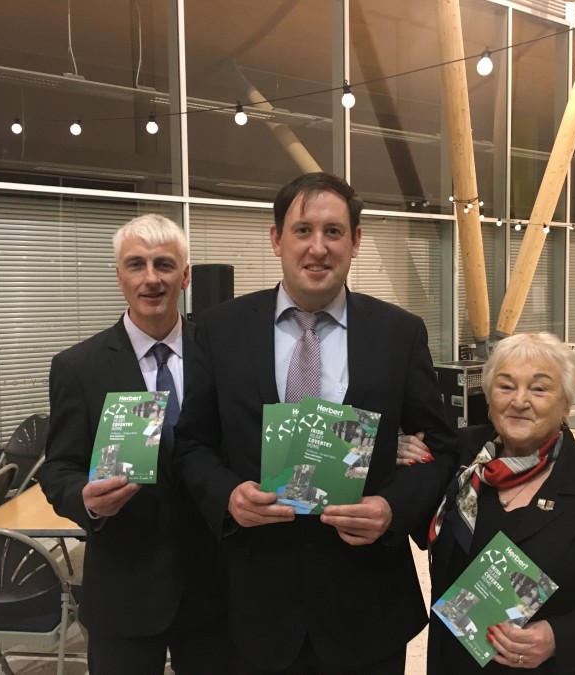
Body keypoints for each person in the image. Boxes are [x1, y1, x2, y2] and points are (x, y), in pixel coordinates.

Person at [173, 171, 457, 674]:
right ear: (277, 239)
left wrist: (392, 507)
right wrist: (227, 496)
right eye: (303, 230)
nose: (318, 247)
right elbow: (193, 443)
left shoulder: (399, 332)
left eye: (334, 231)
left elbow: (440, 445)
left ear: (356, 241)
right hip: (252, 605)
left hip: (366, 604)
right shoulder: (220, 330)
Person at [39, 214, 233, 674]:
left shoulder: (222, 355)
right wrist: (84, 500)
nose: (151, 279)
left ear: (185, 276)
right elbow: (59, 468)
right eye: (136, 265)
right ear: (119, 275)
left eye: (164, 264)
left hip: (216, 589)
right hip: (124, 591)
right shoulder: (78, 367)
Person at [426, 333, 575, 673]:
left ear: (566, 403)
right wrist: (401, 449)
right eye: (506, 386)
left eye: (539, 389)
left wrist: (558, 637)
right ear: (489, 397)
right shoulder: (465, 459)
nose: (520, 401)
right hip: (455, 662)